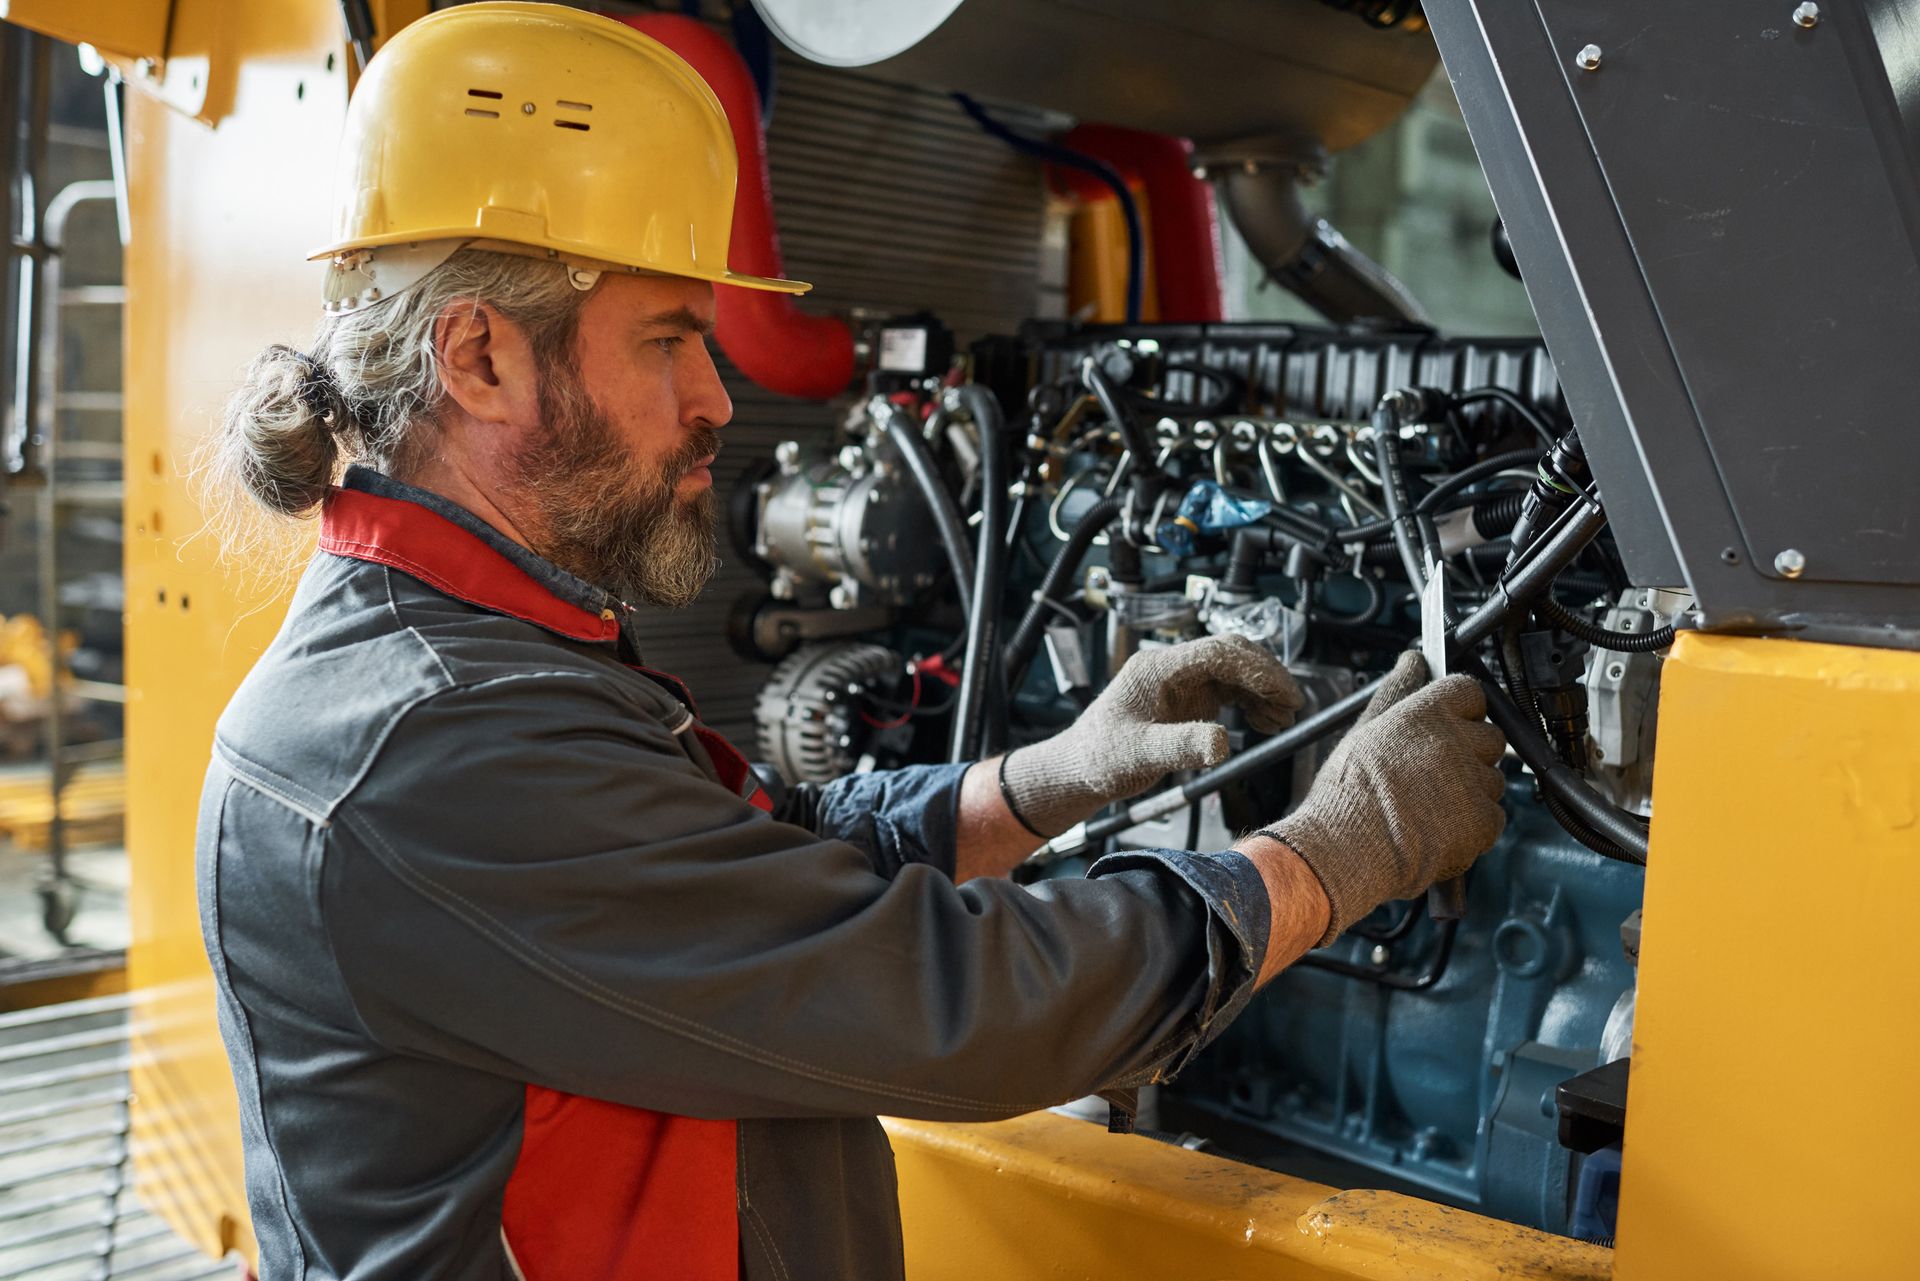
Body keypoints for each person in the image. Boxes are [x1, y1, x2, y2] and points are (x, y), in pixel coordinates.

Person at [196, 5, 1508, 1278]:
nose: (719, 396)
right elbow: (952, 1005)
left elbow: (745, 878)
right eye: (671, 339)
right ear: (478, 357)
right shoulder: (431, 743)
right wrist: (1336, 855)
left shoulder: (477, 649)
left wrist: (1043, 780)